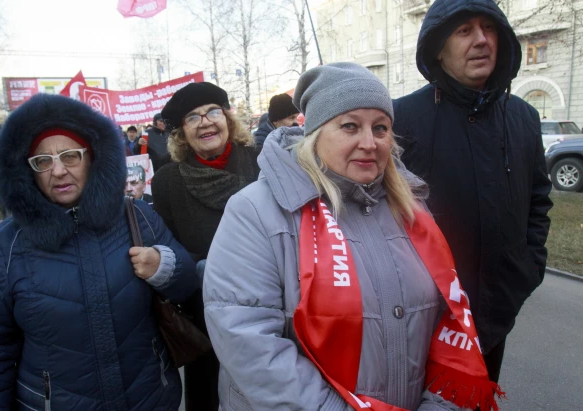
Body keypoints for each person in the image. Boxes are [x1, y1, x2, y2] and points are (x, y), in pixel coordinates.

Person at [203, 62, 502, 411]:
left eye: (380, 128)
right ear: (315, 133)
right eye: (349, 126)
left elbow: (445, 320)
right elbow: (250, 345)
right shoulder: (256, 211)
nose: (369, 142)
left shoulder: (413, 210)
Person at [0, 94, 198, 410]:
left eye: (70, 156)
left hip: (149, 398)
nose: (58, 171)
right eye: (43, 161)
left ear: (93, 158)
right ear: (27, 171)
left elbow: (186, 287)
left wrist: (164, 265)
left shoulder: (138, 216)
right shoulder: (5, 246)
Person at [392, 0, 553, 384]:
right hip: (425, 318)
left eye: (489, 28)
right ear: (438, 48)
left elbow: (538, 201)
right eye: (464, 31)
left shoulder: (524, 118)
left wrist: (527, 268)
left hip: (497, 311)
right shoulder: (402, 118)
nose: (481, 40)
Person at [151, 81, 260, 411]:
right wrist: (203, 268)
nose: (206, 122)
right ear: (182, 133)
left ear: (228, 119)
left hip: (269, 310)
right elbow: (169, 246)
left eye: (213, 111)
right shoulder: (168, 181)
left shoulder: (262, 163)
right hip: (206, 315)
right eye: (193, 117)